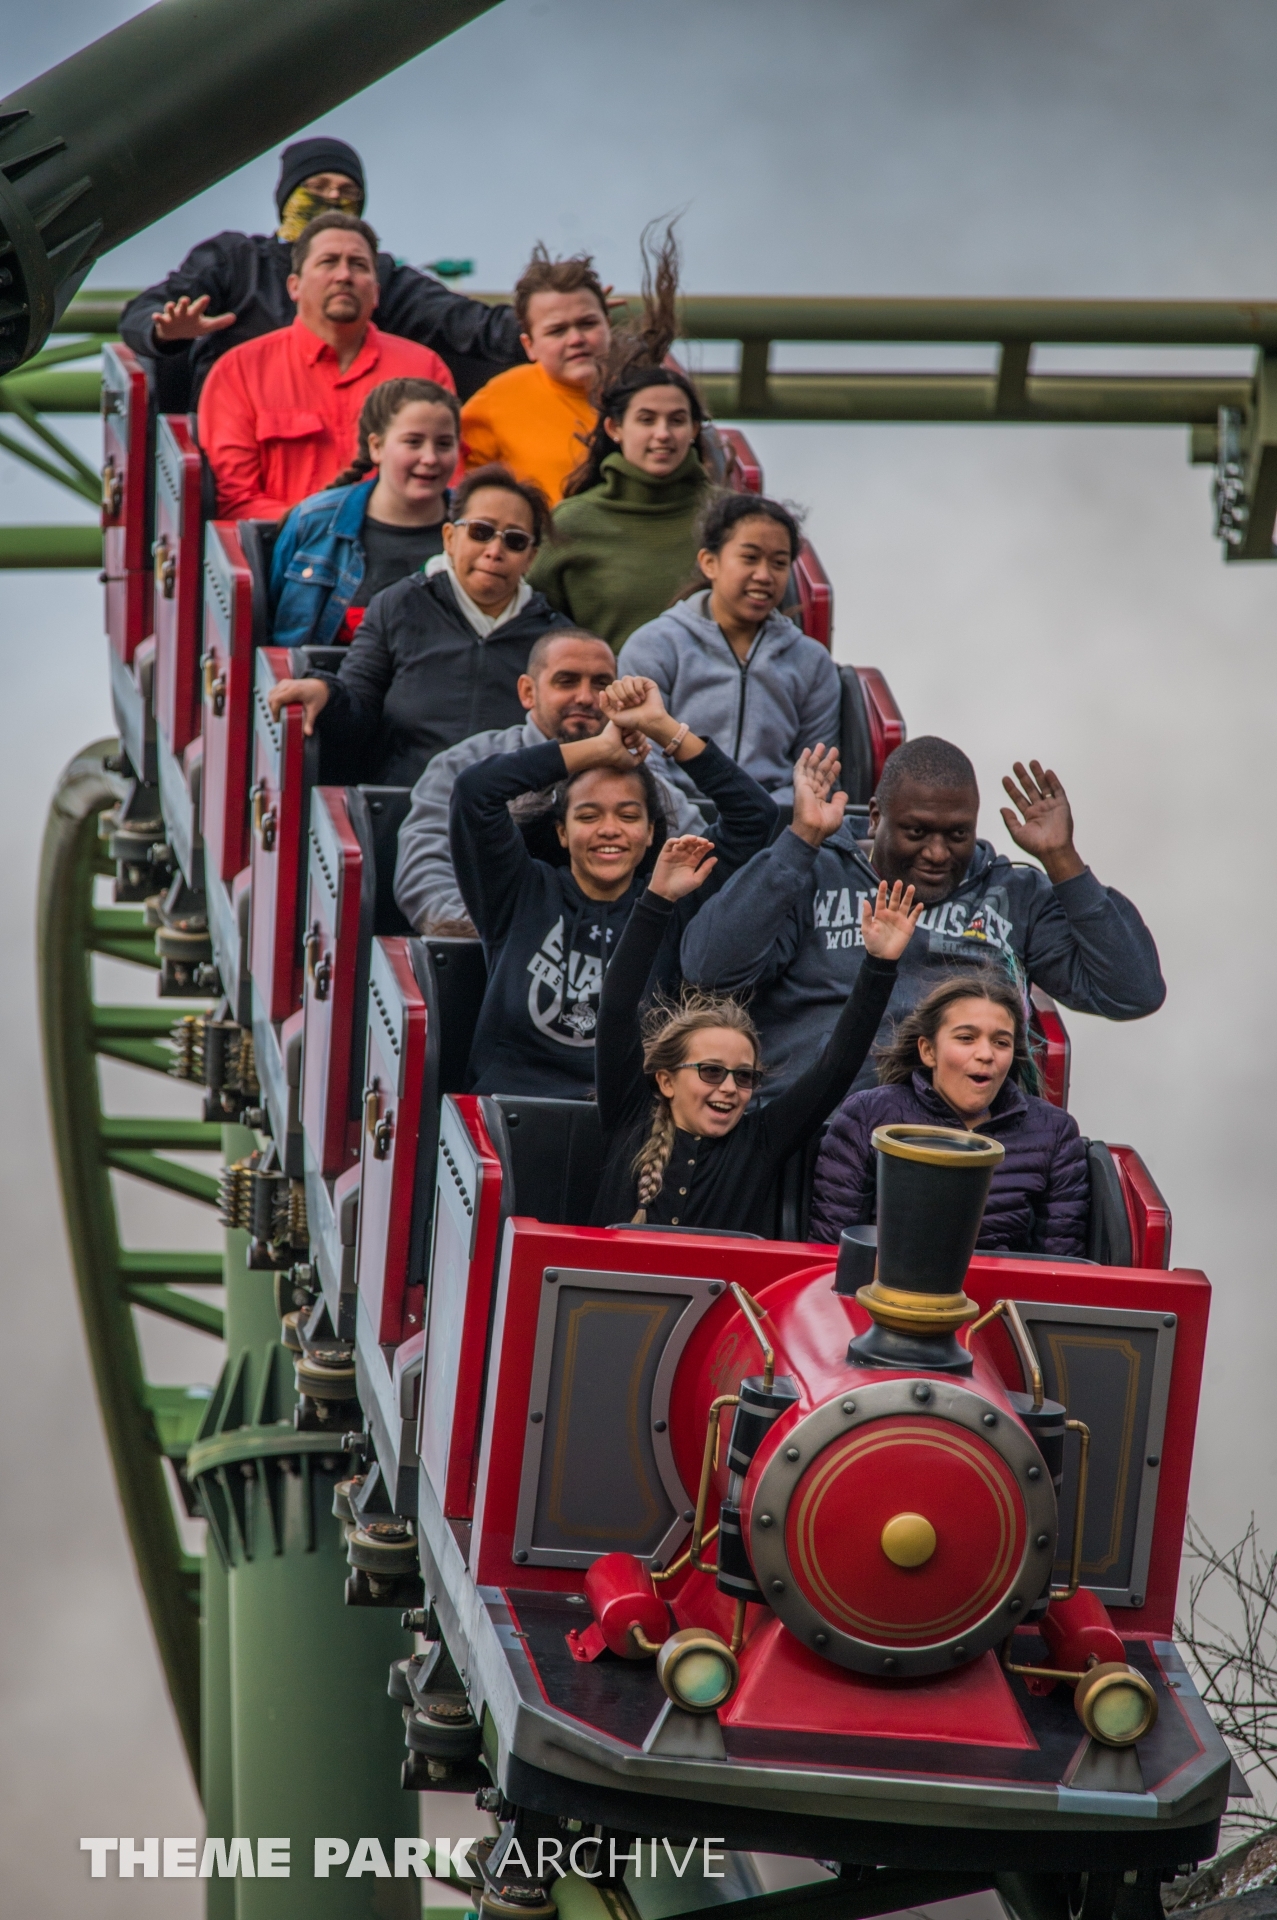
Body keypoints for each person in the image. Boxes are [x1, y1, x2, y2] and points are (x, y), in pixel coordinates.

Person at [681, 737, 1166, 1100]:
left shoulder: (1013, 894)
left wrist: (1062, 861)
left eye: (957, 835)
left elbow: (1133, 992)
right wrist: (799, 841)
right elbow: (709, 970)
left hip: (953, 1143)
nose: (937, 853)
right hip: (809, 1129)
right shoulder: (812, 870)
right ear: (875, 817)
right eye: (916, 832)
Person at [449, 678, 778, 1099]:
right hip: (504, 1113)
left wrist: (662, 728)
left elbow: (755, 814)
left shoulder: (674, 896)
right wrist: (598, 749)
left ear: (650, 832)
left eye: (628, 816)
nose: (609, 830)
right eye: (588, 816)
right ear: (562, 832)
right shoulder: (518, 891)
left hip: (626, 1122)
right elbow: (474, 792)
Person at [590, 819, 922, 1233]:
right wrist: (657, 899)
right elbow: (616, 1007)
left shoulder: (760, 1142)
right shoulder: (630, 1115)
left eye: (744, 1077)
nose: (730, 1088)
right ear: (666, 1080)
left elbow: (836, 1066)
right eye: (711, 1071)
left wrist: (879, 964)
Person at [120, 137, 524, 408]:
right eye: (319, 185)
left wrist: (544, 326)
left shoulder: (381, 276)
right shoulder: (236, 260)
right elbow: (142, 313)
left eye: (348, 191)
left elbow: (465, 323)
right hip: (236, 432)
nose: (333, 196)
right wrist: (165, 332)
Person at [392, 630, 708, 936]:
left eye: (601, 684)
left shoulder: (636, 774)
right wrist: (499, 932)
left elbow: (700, 856)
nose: (585, 697)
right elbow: (426, 871)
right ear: (527, 692)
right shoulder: (466, 762)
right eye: (566, 681)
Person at [266, 467, 568, 787]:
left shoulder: (553, 640)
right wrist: (325, 692)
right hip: (403, 804)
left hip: (509, 811)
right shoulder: (398, 605)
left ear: (531, 558)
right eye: (480, 532)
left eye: (515, 541)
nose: (494, 552)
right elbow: (358, 706)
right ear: (449, 538)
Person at [810, 972, 1089, 1256]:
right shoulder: (867, 1115)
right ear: (928, 1050)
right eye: (966, 1038)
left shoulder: (1054, 1131)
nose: (986, 1054)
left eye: (1001, 1042)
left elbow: (1059, 1264)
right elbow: (832, 1252)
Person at [198, 213, 455, 520]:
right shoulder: (239, 372)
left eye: (358, 265)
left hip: (403, 545)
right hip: (279, 547)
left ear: (376, 292)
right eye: (328, 262)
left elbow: (448, 490)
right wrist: (326, 527)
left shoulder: (424, 368)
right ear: (294, 286)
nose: (344, 275)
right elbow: (236, 500)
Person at [616, 492, 840, 800]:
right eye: (750, 558)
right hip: (676, 819)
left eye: (779, 563)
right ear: (710, 563)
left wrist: (764, 820)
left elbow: (817, 774)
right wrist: (692, 824)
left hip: (777, 822)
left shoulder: (813, 662)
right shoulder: (654, 646)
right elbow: (644, 762)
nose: (764, 575)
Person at [528, 366, 711, 652]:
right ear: (615, 428)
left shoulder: (728, 517)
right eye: (646, 420)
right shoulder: (571, 522)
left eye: (677, 420)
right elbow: (531, 631)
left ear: (694, 430)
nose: (663, 434)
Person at [269, 377, 460, 648]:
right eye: (413, 442)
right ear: (376, 447)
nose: (430, 458)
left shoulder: (477, 527)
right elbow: (270, 632)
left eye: (444, 444)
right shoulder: (312, 521)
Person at [458, 246, 611, 506]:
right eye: (557, 331)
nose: (576, 339)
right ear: (529, 346)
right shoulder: (499, 400)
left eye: (588, 324)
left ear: (608, 324)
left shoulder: (644, 392)